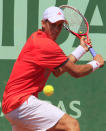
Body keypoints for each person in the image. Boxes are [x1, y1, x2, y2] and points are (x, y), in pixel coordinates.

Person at [2, 6, 104, 131]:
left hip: (11, 107)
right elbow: (76, 72)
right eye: (53, 24)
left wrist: (82, 49)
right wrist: (96, 63)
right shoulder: (46, 45)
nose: (57, 29)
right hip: (21, 103)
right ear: (43, 23)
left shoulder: (38, 39)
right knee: (72, 125)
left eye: (60, 25)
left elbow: (58, 71)